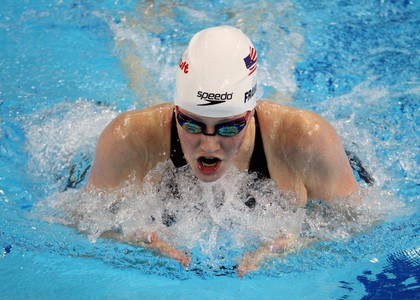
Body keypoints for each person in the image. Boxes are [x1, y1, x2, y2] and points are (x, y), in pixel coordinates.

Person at [84, 26, 359, 276]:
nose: (209, 144)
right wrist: (127, 239)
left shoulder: (306, 140)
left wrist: (301, 247)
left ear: (250, 114)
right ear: (176, 111)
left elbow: (363, 225)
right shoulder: (128, 139)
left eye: (228, 128)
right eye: (191, 124)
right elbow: (76, 221)